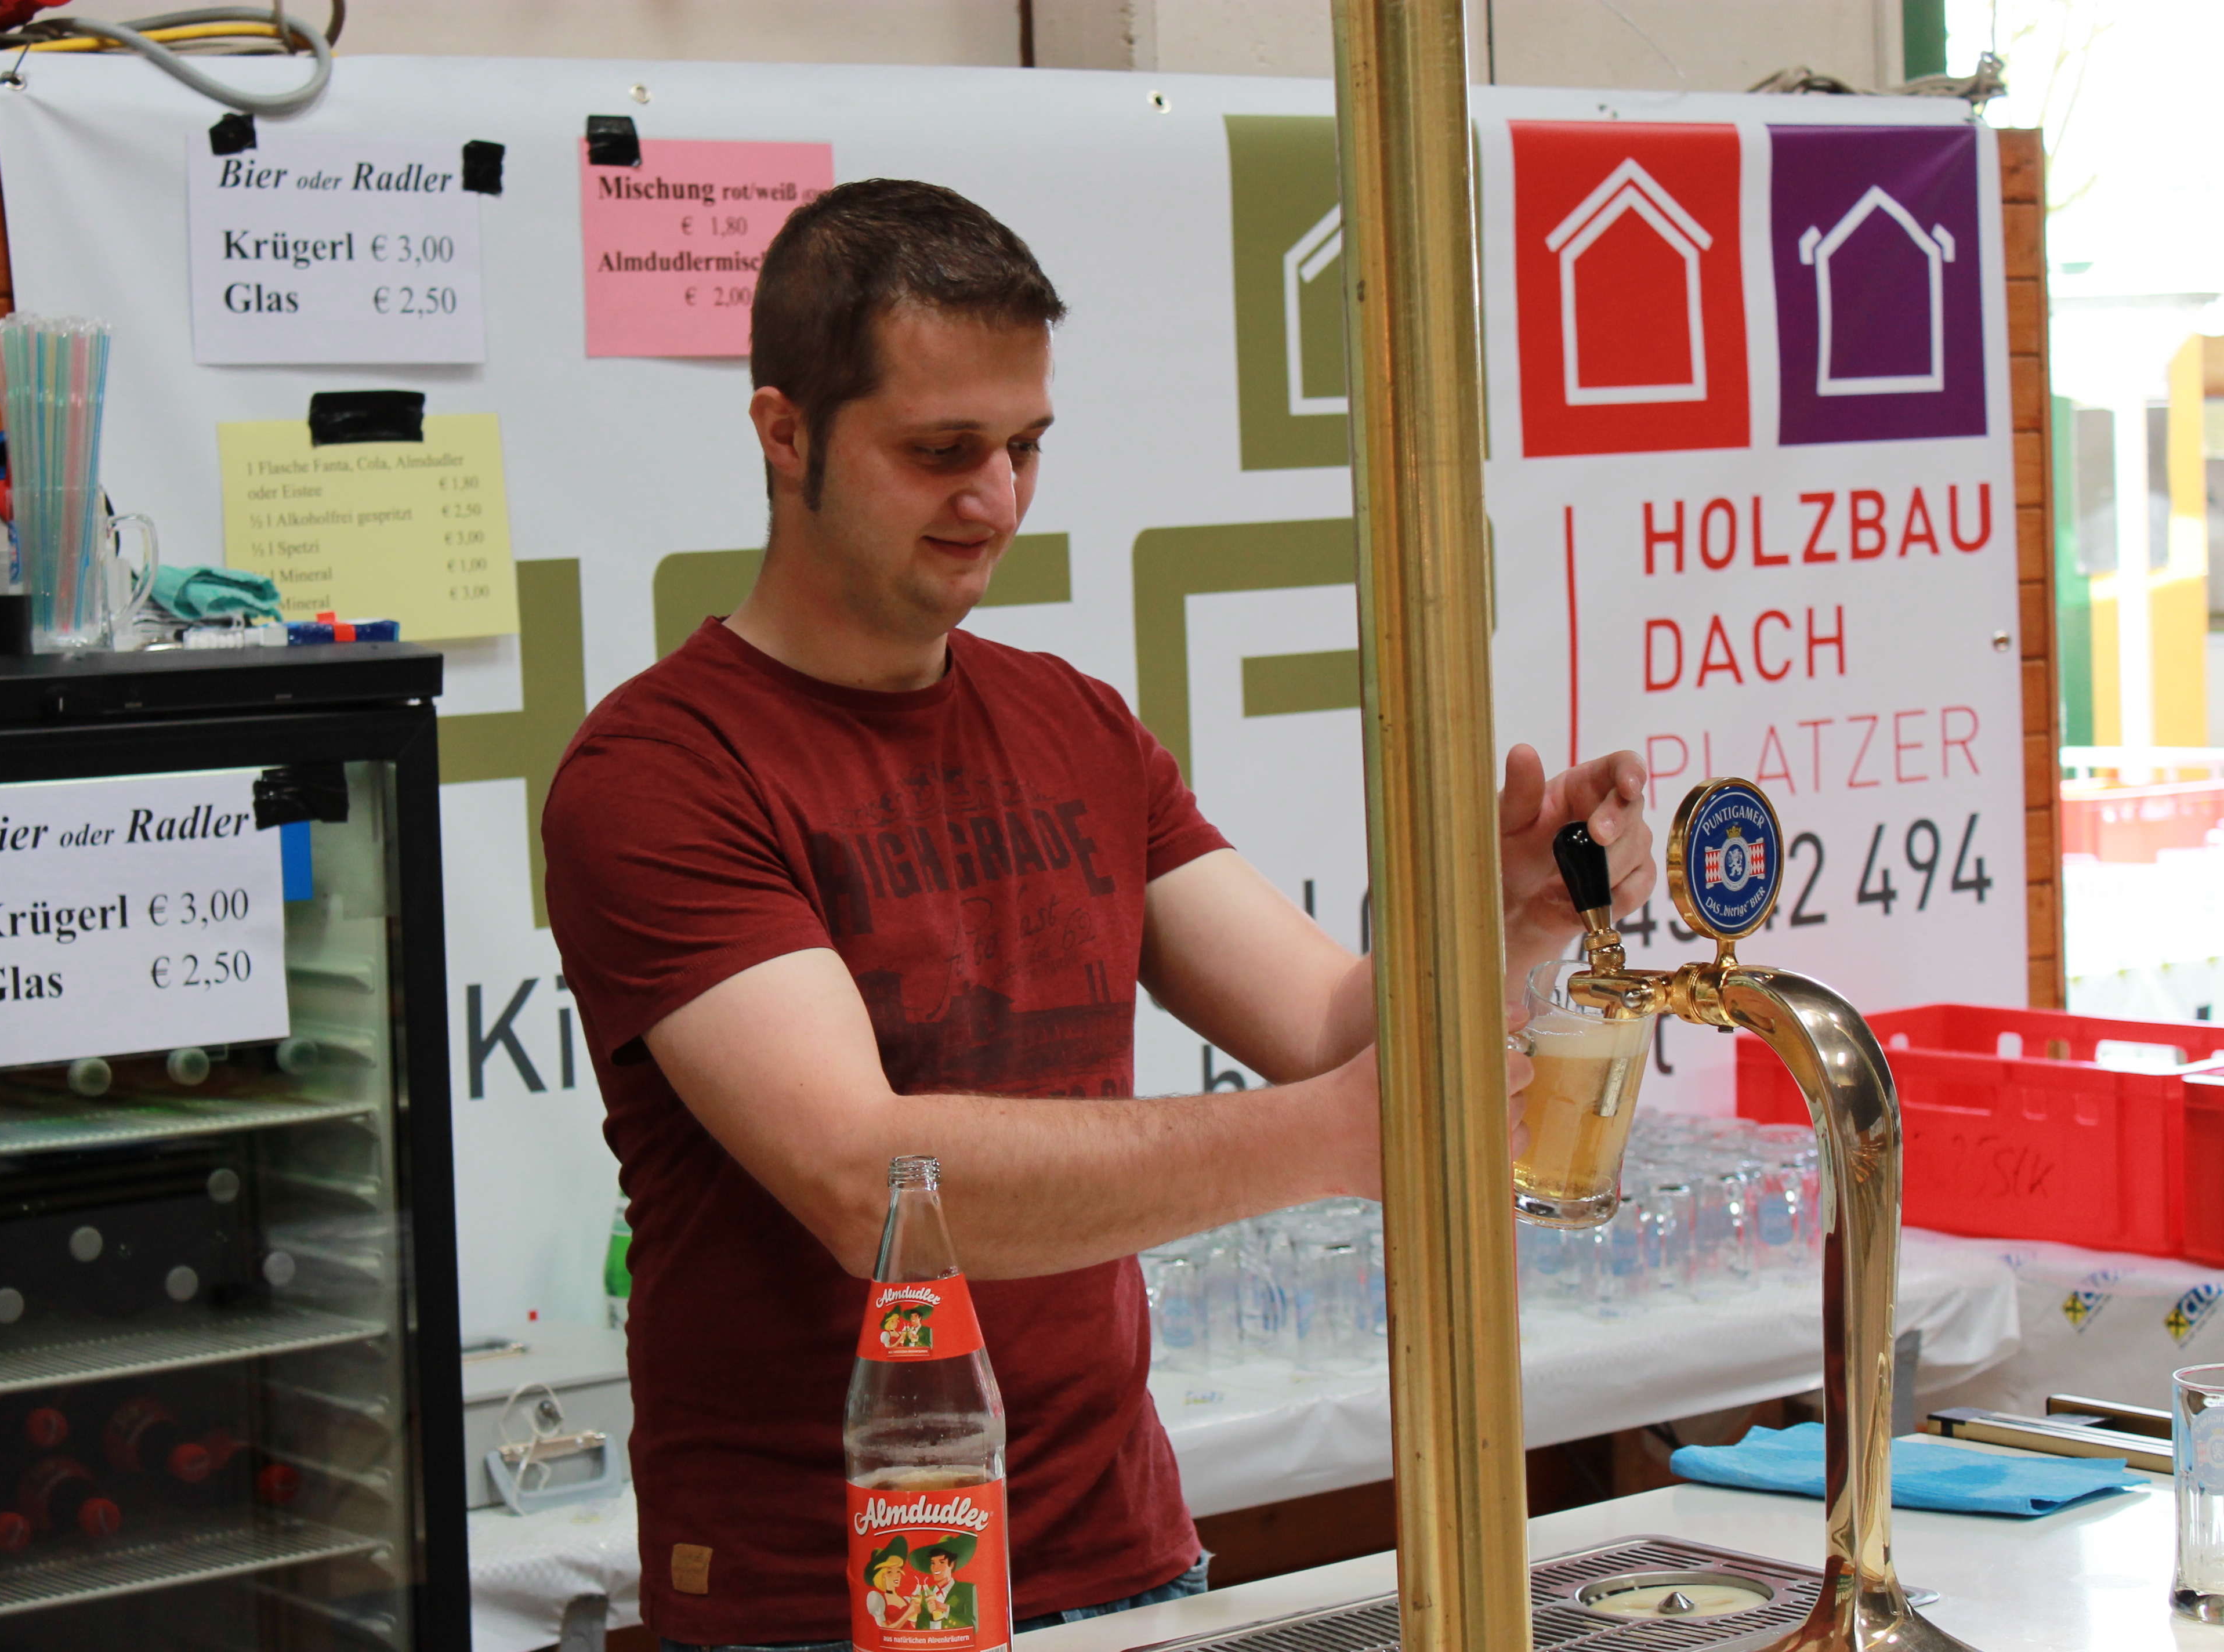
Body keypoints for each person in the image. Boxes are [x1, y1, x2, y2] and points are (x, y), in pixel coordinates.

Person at [542, 177, 1655, 1652]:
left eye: (1023, 446)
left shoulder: (1072, 723)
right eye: (941, 450)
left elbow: (1328, 1020)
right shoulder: (662, 773)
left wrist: (1506, 925)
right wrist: (1335, 1135)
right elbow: (869, 1181)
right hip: (828, 1599)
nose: (996, 499)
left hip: (1127, 1554)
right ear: (784, 432)